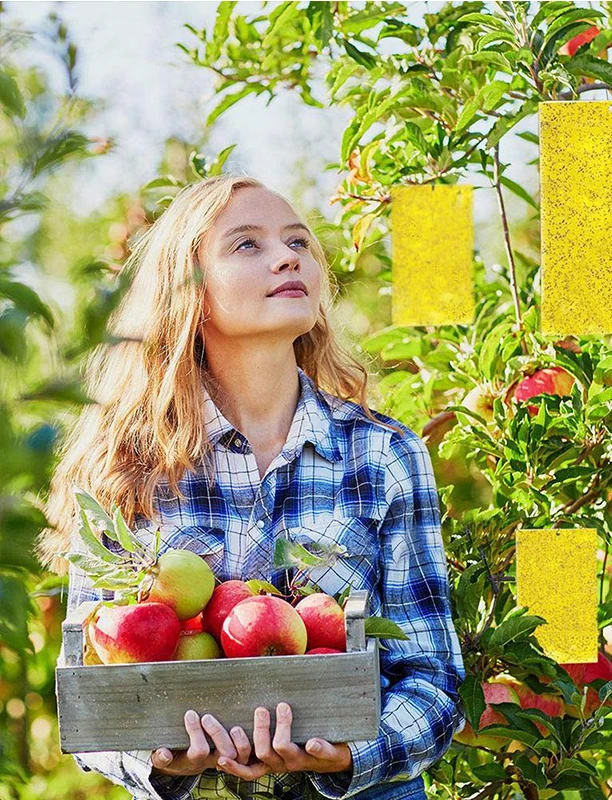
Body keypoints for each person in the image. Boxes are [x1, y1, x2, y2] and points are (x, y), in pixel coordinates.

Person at [39, 174, 466, 799]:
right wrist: (155, 756)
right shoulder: (125, 465)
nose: (287, 255)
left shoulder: (382, 453)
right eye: (247, 245)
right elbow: (90, 685)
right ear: (187, 290)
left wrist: (350, 751)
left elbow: (432, 675)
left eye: (298, 241)